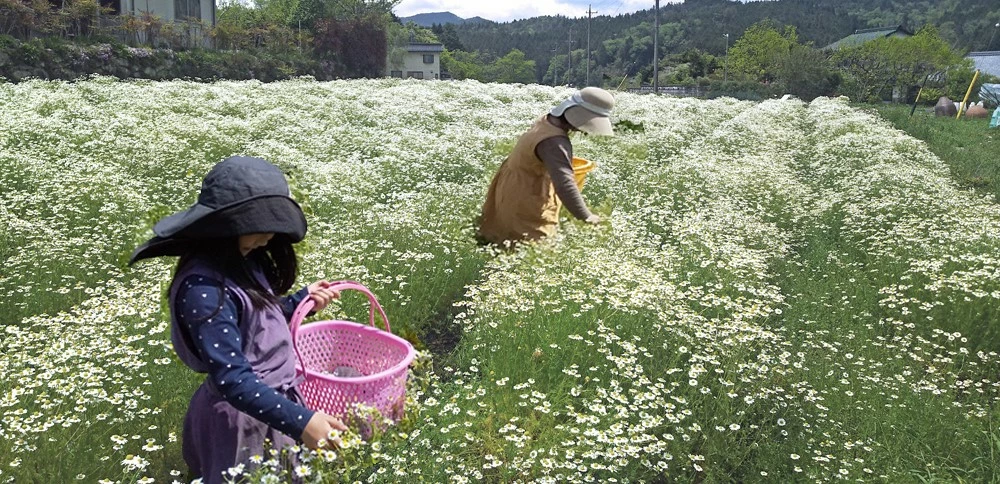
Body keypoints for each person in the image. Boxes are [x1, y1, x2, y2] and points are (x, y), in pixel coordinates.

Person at [129, 156, 346, 483]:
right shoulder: (203, 289)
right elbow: (233, 379)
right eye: (259, 227)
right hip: (242, 422)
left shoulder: (245, 260)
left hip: (271, 408)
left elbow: (257, 321)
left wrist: (300, 302)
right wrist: (302, 421)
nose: (269, 237)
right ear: (226, 227)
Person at [477, 87, 615, 245]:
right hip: (527, 200)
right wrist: (587, 216)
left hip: (512, 188)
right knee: (534, 248)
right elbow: (565, 184)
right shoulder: (554, 143)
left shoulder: (546, 121)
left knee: (506, 242)